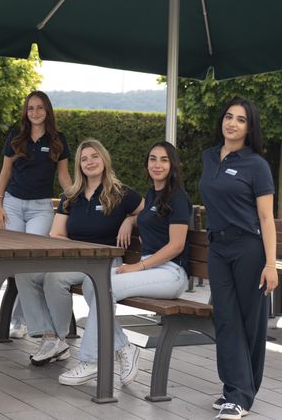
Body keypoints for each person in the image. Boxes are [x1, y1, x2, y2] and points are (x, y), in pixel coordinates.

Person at [59, 141, 191, 387]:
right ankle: (124, 347)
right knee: (91, 283)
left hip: (172, 272)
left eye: (164, 160)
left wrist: (138, 267)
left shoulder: (178, 198)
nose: (157, 165)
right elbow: (143, 216)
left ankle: (91, 360)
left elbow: (176, 245)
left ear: (173, 165)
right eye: (153, 159)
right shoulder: (152, 194)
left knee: (104, 287)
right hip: (151, 268)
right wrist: (129, 220)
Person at [16, 138, 142, 366]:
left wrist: (130, 220)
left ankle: (59, 338)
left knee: (55, 279)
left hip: (105, 261)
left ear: (104, 159)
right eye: (84, 159)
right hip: (76, 259)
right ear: (79, 165)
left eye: (94, 156)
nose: (89, 162)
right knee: (25, 274)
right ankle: (50, 336)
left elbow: (147, 213)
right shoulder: (71, 196)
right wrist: (77, 250)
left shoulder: (122, 193)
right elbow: (56, 234)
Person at [199, 98, 277, 420]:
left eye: (241, 120)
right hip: (217, 248)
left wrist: (271, 264)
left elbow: (266, 217)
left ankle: (240, 395)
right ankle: (236, 389)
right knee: (226, 318)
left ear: (249, 127)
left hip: (248, 248)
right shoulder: (208, 157)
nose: (232, 123)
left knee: (250, 322)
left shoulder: (257, 165)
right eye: (228, 116)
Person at [0, 91, 72, 338]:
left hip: (41, 208)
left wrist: (75, 199)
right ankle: (20, 320)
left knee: (31, 261)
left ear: (47, 111)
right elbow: (5, 171)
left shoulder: (58, 140)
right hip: (13, 204)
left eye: (40, 108)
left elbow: (63, 175)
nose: (35, 112)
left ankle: (21, 320)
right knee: (18, 261)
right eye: (31, 108)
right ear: (26, 112)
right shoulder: (16, 137)